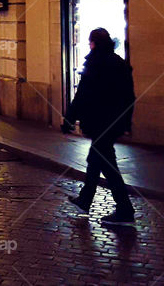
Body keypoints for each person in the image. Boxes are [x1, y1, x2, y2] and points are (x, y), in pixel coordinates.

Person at [62, 27, 136, 225]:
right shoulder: (119, 63)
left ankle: (125, 209)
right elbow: (130, 97)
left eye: (90, 42)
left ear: (93, 43)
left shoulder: (95, 63)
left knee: (107, 165)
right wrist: (126, 122)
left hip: (99, 122)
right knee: (95, 160)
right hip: (113, 123)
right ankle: (85, 200)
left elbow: (82, 95)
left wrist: (69, 119)